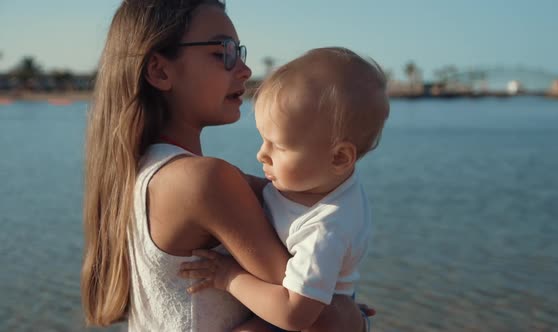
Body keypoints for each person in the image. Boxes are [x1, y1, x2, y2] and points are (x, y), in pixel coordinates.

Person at [81, 0, 368, 331]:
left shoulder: (137, 172)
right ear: (161, 71)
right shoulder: (205, 180)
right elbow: (315, 315)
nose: (245, 70)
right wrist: (354, 317)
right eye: (224, 52)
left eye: (240, 52)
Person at [180, 47, 389, 332]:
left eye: (278, 146)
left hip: (309, 312)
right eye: (264, 140)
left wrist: (229, 277)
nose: (261, 155)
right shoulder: (320, 181)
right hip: (312, 296)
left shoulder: (326, 230)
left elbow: (294, 315)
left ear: (339, 157)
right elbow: (271, 195)